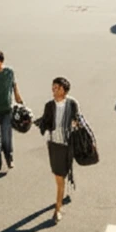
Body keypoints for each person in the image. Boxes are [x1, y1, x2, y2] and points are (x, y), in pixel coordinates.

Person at [34, 77, 80, 223]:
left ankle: (60, 200)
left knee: (63, 174)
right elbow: (45, 122)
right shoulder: (49, 105)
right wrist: (41, 127)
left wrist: (75, 124)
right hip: (54, 145)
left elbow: (78, 119)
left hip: (68, 145)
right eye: (53, 87)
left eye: (57, 88)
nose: (54, 90)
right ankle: (58, 209)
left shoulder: (72, 104)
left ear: (64, 91)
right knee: (59, 177)